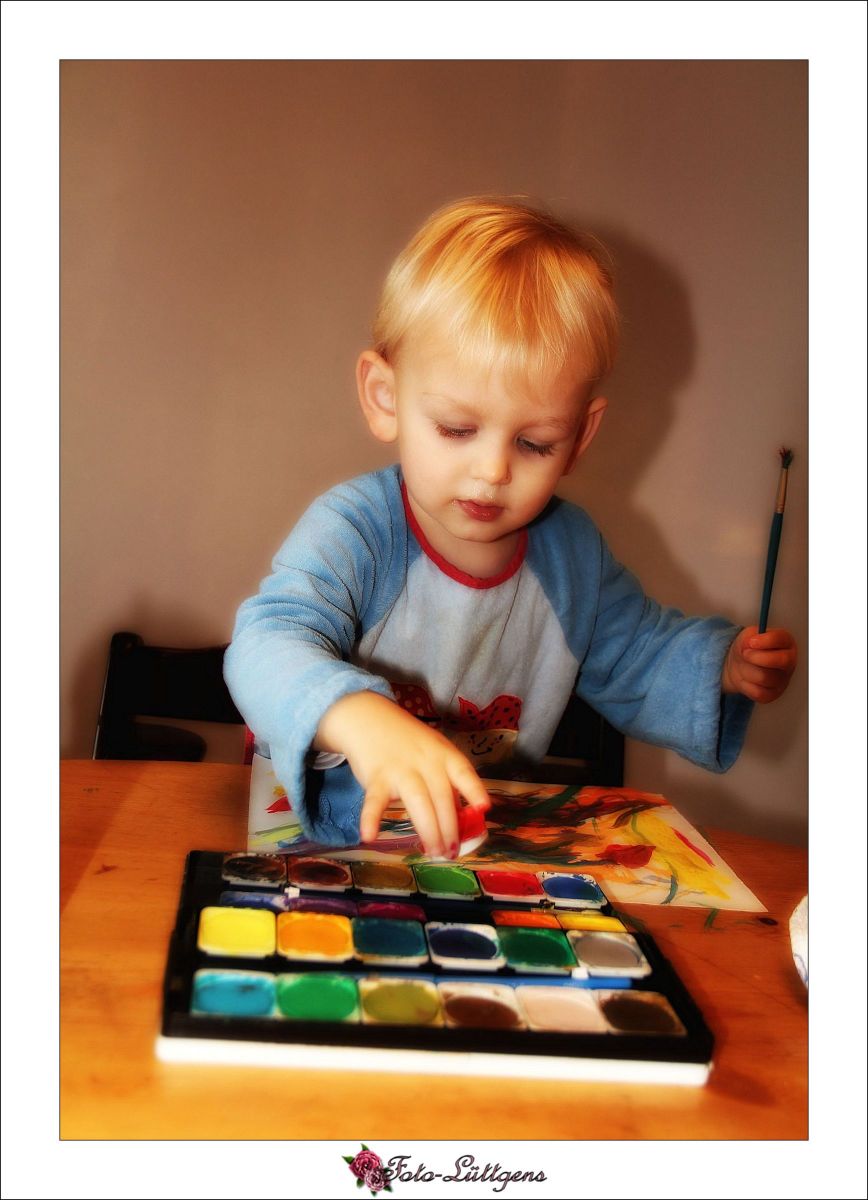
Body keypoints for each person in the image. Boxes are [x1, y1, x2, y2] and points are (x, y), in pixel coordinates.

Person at [224, 196, 797, 856]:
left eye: (535, 444)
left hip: (469, 843)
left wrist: (725, 665)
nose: (493, 470)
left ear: (578, 438)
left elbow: (638, 653)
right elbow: (265, 642)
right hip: (314, 834)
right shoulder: (357, 530)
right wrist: (356, 716)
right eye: (457, 429)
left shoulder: (572, 557)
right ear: (385, 399)